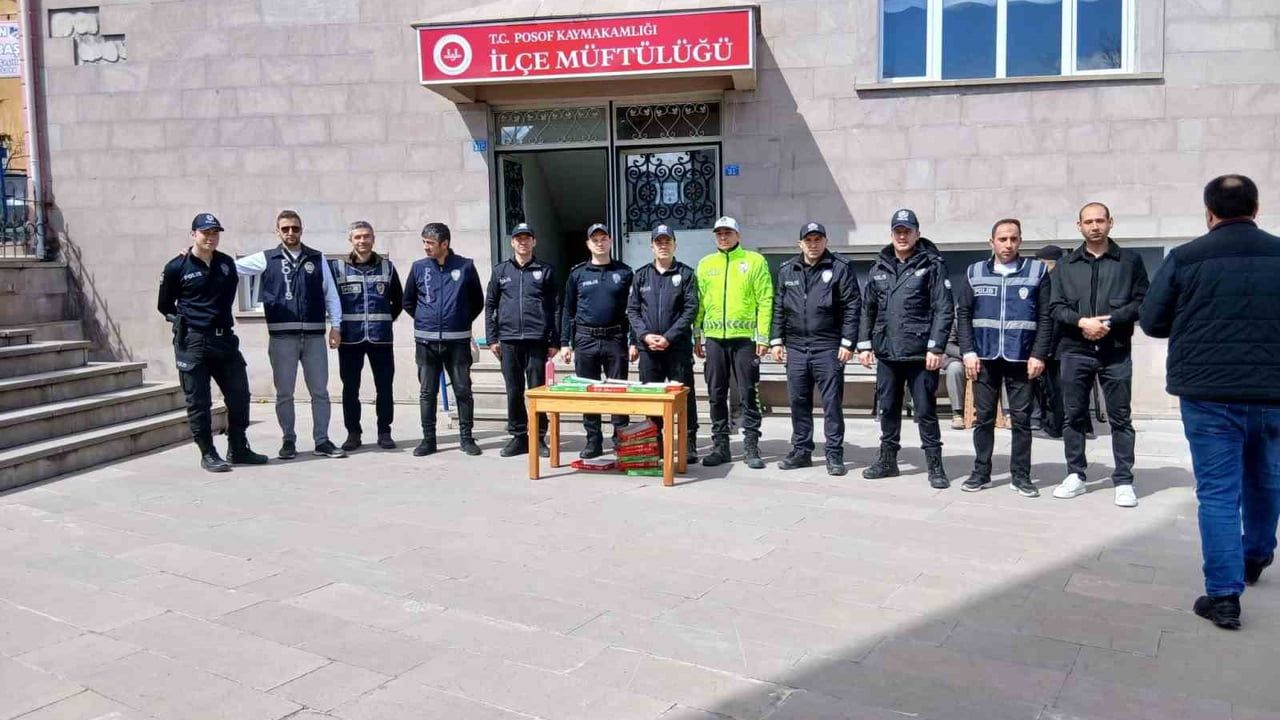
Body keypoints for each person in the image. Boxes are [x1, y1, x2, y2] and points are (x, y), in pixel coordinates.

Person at [1140, 174, 1280, 631]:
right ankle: (1256, 554)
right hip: (1273, 392)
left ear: (1209, 212)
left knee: (1219, 493)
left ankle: (1224, 597)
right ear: (1255, 209)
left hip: (1209, 395)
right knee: (1267, 480)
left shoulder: (1185, 258)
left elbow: (1154, 322)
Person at [1047, 202, 1149, 507]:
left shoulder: (1129, 261)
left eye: (1100, 220)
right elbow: (1054, 307)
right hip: (1075, 349)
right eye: (1088, 221)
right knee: (1073, 415)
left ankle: (1123, 480)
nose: (1095, 226)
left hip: (1115, 350)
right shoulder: (1065, 266)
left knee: (1120, 417)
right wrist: (1081, 322)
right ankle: (1076, 475)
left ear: (1110, 223)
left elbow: (1142, 301)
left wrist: (1110, 321)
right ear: (1079, 226)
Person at [157, 213, 268, 472]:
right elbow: (164, 306)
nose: (211, 237)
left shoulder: (227, 264)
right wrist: (184, 322)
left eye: (215, 232)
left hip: (225, 341)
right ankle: (208, 452)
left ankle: (238, 447)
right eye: (205, 232)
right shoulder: (177, 266)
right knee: (199, 401)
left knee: (240, 396)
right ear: (193, 234)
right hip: (193, 342)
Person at [954, 218, 1054, 498]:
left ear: (1020, 241)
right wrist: (968, 351)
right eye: (1002, 239)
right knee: (983, 419)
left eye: (1013, 239)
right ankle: (981, 472)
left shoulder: (1036, 272)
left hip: (1022, 359)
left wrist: (1039, 353)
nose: (1008, 244)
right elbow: (963, 313)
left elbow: (1045, 316)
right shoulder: (975, 272)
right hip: (984, 358)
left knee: (1021, 420)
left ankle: (1021, 475)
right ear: (992, 242)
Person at [235, 210, 346, 460]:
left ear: (301, 230)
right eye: (285, 229)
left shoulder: (317, 258)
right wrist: (195, 258)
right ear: (278, 231)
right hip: (282, 337)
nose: (290, 233)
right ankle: (288, 440)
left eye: (295, 228)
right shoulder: (267, 258)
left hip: (315, 336)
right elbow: (230, 268)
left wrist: (336, 326)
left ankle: (322, 440)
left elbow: (330, 294)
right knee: (284, 392)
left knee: (320, 391)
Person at [857, 209, 953, 489]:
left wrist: (936, 347)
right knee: (888, 409)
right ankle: (888, 461)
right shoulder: (879, 266)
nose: (902, 236)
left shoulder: (932, 264)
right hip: (887, 352)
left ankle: (935, 465)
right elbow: (868, 309)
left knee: (925, 410)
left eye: (907, 231)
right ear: (891, 234)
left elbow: (943, 309)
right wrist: (864, 345)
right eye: (898, 231)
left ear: (917, 234)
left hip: (920, 353)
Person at [769, 222, 861, 476]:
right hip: (796, 347)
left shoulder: (840, 267)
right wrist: (776, 340)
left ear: (826, 241)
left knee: (831, 403)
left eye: (817, 239)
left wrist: (847, 342)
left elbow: (853, 306)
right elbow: (779, 307)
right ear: (800, 244)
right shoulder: (788, 270)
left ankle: (834, 453)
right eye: (808, 240)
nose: (813, 245)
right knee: (798, 401)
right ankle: (801, 451)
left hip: (828, 346)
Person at [694, 216, 773, 469]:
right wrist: (697, 335)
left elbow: (766, 298)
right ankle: (721, 446)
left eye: (728, 232)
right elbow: (699, 303)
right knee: (716, 393)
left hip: (745, 341)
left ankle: (751, 444)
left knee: (749, 392)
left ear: (738, 235)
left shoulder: (754, 261)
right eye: (719, 233)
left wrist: (763, 336)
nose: (723, 237)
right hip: (715, 340)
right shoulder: (706, 264)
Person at [403, 222, 484, 457]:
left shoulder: (466, 266)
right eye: (424, 242)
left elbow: (477, 301)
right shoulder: (419, 268)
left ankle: (466, 438)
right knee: (427, 392)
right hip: (426, 343)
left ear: (444, 244)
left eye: (430, 243)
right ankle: (428, 440)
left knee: (462, 390)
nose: (426, 247)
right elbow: (408, 301)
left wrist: (459, 320)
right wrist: (424, 319)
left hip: (457, 342)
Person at [626, 224, 701, 463]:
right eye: (659, 242)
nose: (663, 245)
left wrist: (669, 336)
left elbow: (690, 310)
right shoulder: (641, 275)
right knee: (652, 398)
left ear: (674, 244)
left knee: (684, 397)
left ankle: (688, 442)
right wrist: (645, 336)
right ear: (652, 246)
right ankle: (655, 441)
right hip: (649, 349)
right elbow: (633, 310)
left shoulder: (686, 274)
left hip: (677, 348)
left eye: (667, 241)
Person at [560, 224, 635, 458]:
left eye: (604, 238)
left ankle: (620, 438)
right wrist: (565, 342)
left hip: (615, 338)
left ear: (611, 241)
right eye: (595, 239)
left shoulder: (624, 273)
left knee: (618, 390)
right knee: (588, 391)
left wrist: (633, 341)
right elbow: (567, 310)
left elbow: (633, 309)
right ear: (588, 244)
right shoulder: (578, 273)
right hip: (585, 339)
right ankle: (593, 440)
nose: (600, 243)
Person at [485, 223, 560, 458]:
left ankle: (538, 437)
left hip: (537, 340)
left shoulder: (545, 271)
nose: (523, 242)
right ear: (512, 242)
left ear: (534, 242)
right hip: (508, 341)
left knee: (537, 390)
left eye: (527, 238)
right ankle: (518, 436)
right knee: (513, 389)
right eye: (518, 239)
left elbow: (556, 307)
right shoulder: (501, 272)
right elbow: (490, 305)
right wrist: (492, 338)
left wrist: (554, 340)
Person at [330, 221, 402, 452]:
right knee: (350, 388)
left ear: (373, 239)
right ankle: (353, 433)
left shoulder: (387, 267)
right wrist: (336, 328)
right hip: (350, 339)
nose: (362, 241)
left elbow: (398, 301)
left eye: (367, 236)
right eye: (358, 237)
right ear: (350, 240)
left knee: (385, 387)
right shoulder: (338, 269)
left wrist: (384, 320)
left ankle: (384, 431)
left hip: (381, 339)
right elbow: (332, 302)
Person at [1030, 245, 1065, 438]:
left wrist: (1046, 349)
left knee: (1056, 390)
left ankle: (1056, 427)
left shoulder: (1053, 281)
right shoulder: (1063, 278)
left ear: (1046, 263)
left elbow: (1054, 319)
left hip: (1056, 347)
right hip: (1060, 346)